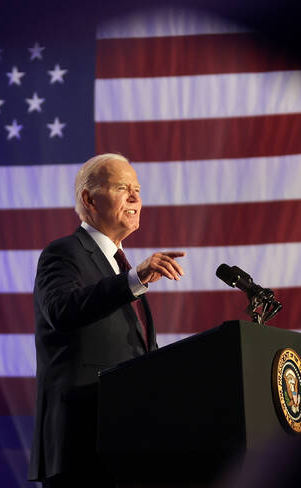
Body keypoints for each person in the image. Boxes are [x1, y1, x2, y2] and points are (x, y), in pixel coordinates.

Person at [28, 153, 186, 488]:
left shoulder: (121, 268)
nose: (135, 198)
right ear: (89, 198)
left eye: (138, 190)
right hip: (82, 444)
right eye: (122, 188)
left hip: (129, 441)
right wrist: (134, 280)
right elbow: (62, 310)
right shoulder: (64, 253)